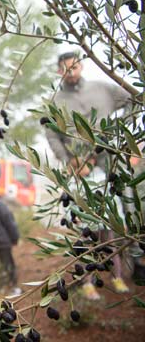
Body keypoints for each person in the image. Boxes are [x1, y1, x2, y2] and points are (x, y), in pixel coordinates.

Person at [46, 51, 131, 299]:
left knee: (115, 223)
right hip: (80, 172)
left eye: (74, 67)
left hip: (110, 166)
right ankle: (87, 281)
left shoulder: (102, 89)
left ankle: (120, 275)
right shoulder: (57, 101)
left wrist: (119, 132)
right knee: (83, 230)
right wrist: (70, 160)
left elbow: (132, 100)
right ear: (59, 72)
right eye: (65, 69)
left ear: (81, 66)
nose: (70, 73)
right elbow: (52, 134)